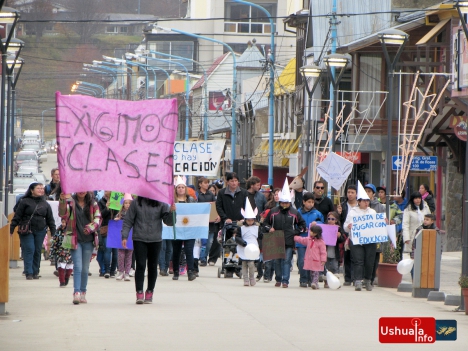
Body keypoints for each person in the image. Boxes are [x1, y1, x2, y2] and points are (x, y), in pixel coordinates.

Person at [121, 196, 176, 304]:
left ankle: (150, 291)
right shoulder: (136, 203)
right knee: (140, 265)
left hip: (155, 239)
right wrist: (124, 236)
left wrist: (172, 212)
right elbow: (128, 221)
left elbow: (169, 222)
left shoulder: (161, 203)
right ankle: (139, 292)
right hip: (139, 238)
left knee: (152, 266)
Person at [59, 192, 101, 304]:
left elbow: (98, 218)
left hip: (88, 240)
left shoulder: (93, 203)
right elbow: (62, 213)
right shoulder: (70, 202)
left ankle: (83, 292)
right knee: (78, 266)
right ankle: (76, 292)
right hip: (74, 239)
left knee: (85, 268)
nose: (82, 191)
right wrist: (62, 200)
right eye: (79, 189)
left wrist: (90, 228)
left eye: (84, 189)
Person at [263, 179, 306, 288]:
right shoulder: (273, 211)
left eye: (286, 203)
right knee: (277, 260)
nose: (285, 205)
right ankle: (278, 279)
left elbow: (302, 225)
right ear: (280, 202)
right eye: (283, 203)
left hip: (288, 240)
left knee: (287, 260)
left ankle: (285, 280)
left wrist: (294, 232)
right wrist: (269, 229)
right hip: (276, 239)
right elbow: (265, 224)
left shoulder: (294, 213)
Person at [10, 182, 56, 280]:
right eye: (38, 188)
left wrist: (53, 232)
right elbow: (17, 216)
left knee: (37, 251)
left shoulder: (45, 203)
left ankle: (35, 271)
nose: (41, 190)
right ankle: (28, 272)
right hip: (27, 230)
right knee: (29, 249)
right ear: (32, 190)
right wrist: (11, 228)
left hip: (40, 230)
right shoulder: (24, 201)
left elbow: (50, 219)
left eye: (42, 188)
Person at [344, 182, 377, 292]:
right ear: (359, 202)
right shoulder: (353, 212)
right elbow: (345, 227)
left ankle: (367, 280)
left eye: (368, 200)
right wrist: (349, 227)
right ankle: (358, 280)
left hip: (370, 241)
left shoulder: (373, 212)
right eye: (364, 201)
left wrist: (383, 222)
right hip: (356, 240)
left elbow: (377, 225)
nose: (366, 203)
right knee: (358, 260)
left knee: (369, 261)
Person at [172, 176, 197, 281]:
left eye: (182, 187)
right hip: (176, 228)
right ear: (176, 189)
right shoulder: (172, 200)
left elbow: (196, 212)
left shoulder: (191, 200)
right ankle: (176, 271)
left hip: (189, 228)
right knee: (176, 250)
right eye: (179, 187)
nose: (181, 189)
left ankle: (190, 271)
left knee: (189, 250)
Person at [296, 193, 324, 287]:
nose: (311, 204)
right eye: (308, 202)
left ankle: (312, 279)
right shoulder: (298, 212)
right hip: (302, 241)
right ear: (303, 202)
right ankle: (303, 279)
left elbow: (322, 223)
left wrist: (317, 223)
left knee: (312, 260)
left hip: (314, 241)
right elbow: (295, 224)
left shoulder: (317, 213)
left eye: (312, 202)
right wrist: (302, 228)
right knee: (302, 260)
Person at [235, 200, 260, 286]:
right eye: (248, 220)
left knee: (251, 264)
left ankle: (252, 278)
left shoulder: (257, 228)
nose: (250, 222)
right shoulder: (241, 228)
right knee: (244, 264)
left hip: (253, 248)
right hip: (244, 247)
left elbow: (260, 237)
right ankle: (245, 279)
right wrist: (242, 242)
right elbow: (237, 237)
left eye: (251, 220)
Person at [294, 225, 326, 290]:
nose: (310, 232)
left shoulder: (321, 242)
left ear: (315, 233)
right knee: (312, 273)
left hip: (317, 260)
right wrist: (295, 237)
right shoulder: (309, 239)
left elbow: (323, 252)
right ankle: (315, 283)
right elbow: (302, 240)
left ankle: (314, 283)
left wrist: (323, 259)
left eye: (311, 231)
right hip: (310, 260)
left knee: (316, 272)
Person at [337, 185, 357, 286]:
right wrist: (338, 213)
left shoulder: (360, 206)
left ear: (356, 194)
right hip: (346, 234)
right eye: (348, 192)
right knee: (347, 257)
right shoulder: (343, 205)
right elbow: (338, 220)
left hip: (357, 235)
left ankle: (355, 277)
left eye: (352, 192)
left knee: (356, 257)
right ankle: (348, 278)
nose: (350, 194)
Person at [197, 176, 219, 267]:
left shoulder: (211, 195)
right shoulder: (197, 194)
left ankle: (204, 256)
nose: (207, 185)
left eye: (207, 183)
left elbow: (215, 206)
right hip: (200, 222)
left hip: (210, 222)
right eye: (205, 183)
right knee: (203, 242)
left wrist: (217, 216)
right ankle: (202, 258)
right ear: (200, 184)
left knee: (209, 242)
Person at [97, 191, 118, 278]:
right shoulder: (101, 201)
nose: (106, 192)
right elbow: (100, 214)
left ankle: (113, 270)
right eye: (105, 191)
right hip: (106, 227)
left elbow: (119, 213)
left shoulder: (117, 199)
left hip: (116, 227)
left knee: (115, 251)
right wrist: (107, 208)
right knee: (107, 250)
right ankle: (107, 270)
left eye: (108, 190)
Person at [324, 211, 347, 286]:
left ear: (336, 220)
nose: (330, 220)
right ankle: (327, 282)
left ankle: (336, 282)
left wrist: (339, 236)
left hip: (335, 252)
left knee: (335, 267)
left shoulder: (339, 229)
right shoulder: (324, 228)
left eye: (332, 219)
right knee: (327, 268)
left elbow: (342, 239)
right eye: (329, 218)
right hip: (326, 252)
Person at [115, 194, 133, 281]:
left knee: (129, 255)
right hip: (120, 237)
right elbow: (115, 222)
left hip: (131, 237)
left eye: (129, 203)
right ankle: (121, 271)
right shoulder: (120, 213)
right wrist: (117, 219)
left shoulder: (134, 213)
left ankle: (127, 273)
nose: (127, 205)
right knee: (121, 255)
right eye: (126, 203)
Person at [50, 218, 73, 287]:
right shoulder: (58, 230)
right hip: (60, 251)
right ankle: (62, 281)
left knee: (70, 266)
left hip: (70, 251)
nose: (63, 224)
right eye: (62, 222)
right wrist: (52, 252)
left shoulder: (72, 231)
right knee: (61, 266)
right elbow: (54, 241)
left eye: (64, 222)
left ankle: (67, 278)